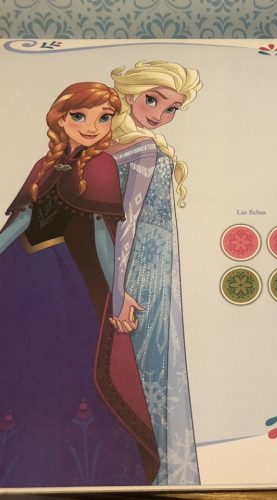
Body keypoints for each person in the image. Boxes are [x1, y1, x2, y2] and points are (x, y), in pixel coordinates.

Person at [0, 82, 159, 487]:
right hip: (17, 269)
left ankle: (53, 467)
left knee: (54, 367)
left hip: (59, 278)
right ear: (61, 117)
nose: (92, 126)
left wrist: (119, 295)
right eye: (80, 115)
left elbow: (104, 238)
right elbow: (21, 220)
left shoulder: (101, 166)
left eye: (104, 117)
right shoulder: (45, 164)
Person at [108, 61, 202, 485]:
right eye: (152, 100)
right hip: (142, 268)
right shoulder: (142, 149)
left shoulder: (119, 147)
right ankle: (151, 467)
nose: (159, 114)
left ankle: (142, 466)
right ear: (130, 94)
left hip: (144, 263)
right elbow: (127, 222)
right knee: (147, 362)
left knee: (144, 361)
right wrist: (120, 291)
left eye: (171, 108)